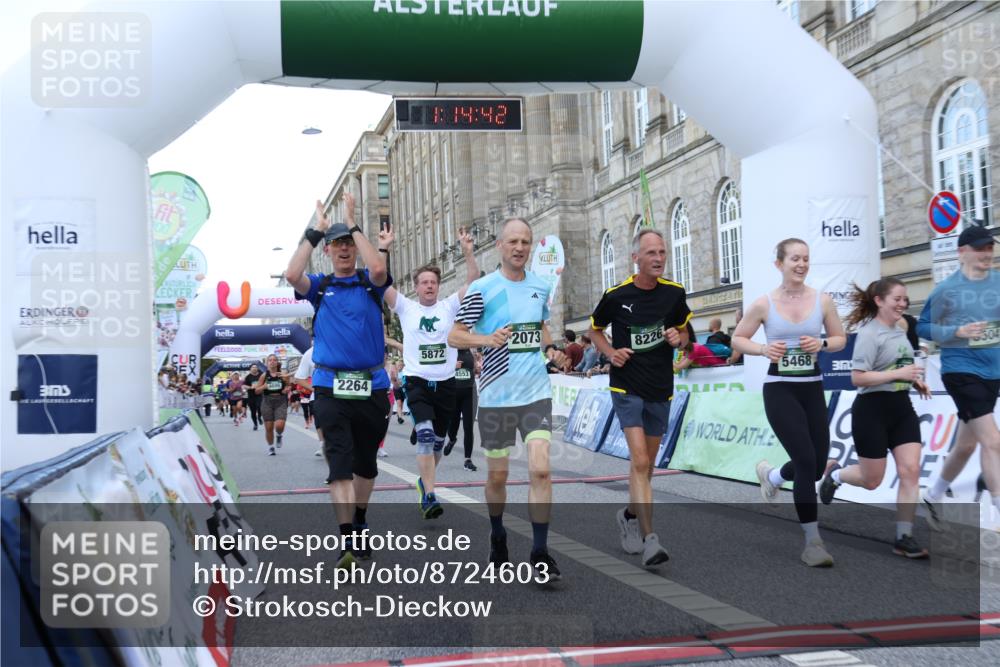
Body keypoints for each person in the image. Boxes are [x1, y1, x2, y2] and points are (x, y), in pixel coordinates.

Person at [449, 217, 561, 580]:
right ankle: (497, 532)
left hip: (535, 393)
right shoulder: (482, 288)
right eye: (513, 241)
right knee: (498, 476)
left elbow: (541, 327)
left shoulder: (541, 287)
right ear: (499, 245)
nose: (519, 248)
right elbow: (455, 336)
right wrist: (486, 340)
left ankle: (540, 551)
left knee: (541, 469)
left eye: (526, 242)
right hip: (497, 397)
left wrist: (553, 349)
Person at [286, 192, 393, 568]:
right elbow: (291, 275)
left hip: (372, 388)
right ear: (328, 251)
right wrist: (316, 231)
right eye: (338, 245)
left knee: (366, 466)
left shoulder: (370, 282)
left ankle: (359, 519)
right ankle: (347, 537)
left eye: (348, 243)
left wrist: (351, 221)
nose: (345, 249)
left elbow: (379, 268)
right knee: (339, 465)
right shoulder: (320, 286)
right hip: (330, 387)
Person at [731, 237, 846, 567]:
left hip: (811, 388)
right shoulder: (764, 304)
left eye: (805, 259)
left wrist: (822, 343)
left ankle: (773, 477)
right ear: (779, 264)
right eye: (794, 258)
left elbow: (840, 340)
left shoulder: (822, 301)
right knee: (807, 462)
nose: (801, 264)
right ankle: (813, 543)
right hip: (780, 389)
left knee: (816, 461)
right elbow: (739, 338)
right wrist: (764, 349)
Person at [589, 228, 690, 568]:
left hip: (660, 385)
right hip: (626, 385)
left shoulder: (674, 293)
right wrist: (610, 353)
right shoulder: (617, 295)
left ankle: (629, 515)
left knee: (645, 467)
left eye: (662, 252)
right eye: (651, 253)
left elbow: (685, 331)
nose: (659, 258)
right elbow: (594, 329)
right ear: (636, 258)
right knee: (641, 462)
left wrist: (680, 337)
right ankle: (651, 540)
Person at [819, 278, 931, 558]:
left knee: (911, 471)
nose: (903, 304)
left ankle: (903, 537)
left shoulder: (901, 329)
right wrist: (897, 375)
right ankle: (836, 474)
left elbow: (900, 365)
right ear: (879, 301)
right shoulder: (869, 334)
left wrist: (913, 381)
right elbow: (857, 378)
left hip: (902, 408)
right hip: (872, 411)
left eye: (905, 299)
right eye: (897, 299)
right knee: (872, 480)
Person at [384, 226, 477, 519]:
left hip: (447, 383)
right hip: (418, 383)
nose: (428, 286)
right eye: (423, 282)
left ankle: (424, 484)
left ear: (438, 286)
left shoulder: (449, 306)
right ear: (416, 286)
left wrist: (468, 252)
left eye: (433, 282)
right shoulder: (406, 307)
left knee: (437, 442)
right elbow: (380, 283)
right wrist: (384, 249)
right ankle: (431, 495)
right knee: (424, 435)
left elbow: (473, 281)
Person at [917, 225, 1000, 529]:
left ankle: (933, 495)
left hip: (992, 371)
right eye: (980, 249)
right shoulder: (946, 290)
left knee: (966, 445)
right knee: (993, 441)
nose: (986, 254)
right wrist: (956, 332)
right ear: (962, 252)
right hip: (961, 371)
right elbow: (923, 328)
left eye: (989, 248)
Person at [445, 347, 478, 472]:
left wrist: (476, 368)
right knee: (453, 424)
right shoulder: (450, 348)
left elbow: (473, 368)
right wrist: (452, 366)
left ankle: (467, 460)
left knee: (468, 427)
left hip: (469, 391)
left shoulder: (470, 350)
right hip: (453, 392)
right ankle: (452, 439)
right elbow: (440, 368)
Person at [251, 354, 290, 456]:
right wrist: (264, 386)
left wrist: (287, 389)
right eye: (270, 360)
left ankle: (279, 435)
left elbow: (289, 386)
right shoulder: (264, 376)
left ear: (277, 362)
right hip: (267, 401)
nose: (272, 362)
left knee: (280, 425)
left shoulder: (283, 374)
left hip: (280, 401)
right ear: (267, 363)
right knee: (268, 428)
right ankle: (271, 447)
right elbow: (256, 391)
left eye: (274, 360)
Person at [294, 347, 325, 459]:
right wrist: (316, 389)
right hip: (318, 396)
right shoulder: (310, 353)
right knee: (320, 421)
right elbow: (298, 378)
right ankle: (322, 444)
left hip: (344, 396)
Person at [244, 363, 264, 431]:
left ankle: (259, 417)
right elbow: (244, 386)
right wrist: (250, 387)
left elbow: (265, 383)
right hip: (251, 396)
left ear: (257, 368)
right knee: (253, 412)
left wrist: (261, 387)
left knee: (260, 406)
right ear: (250, 369)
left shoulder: (261, 375)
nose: (254, 368)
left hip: (260, 395)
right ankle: (255, 424)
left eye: (256, 367)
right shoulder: (248, 377)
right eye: (253, 367)